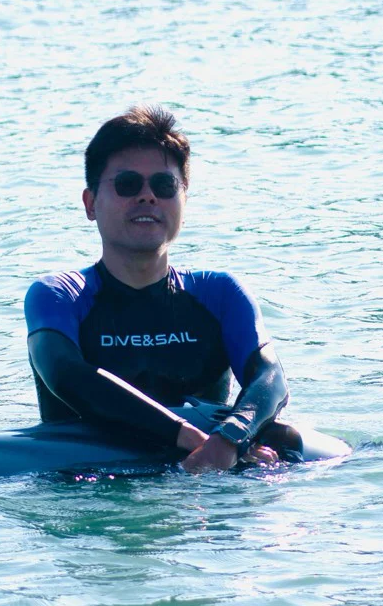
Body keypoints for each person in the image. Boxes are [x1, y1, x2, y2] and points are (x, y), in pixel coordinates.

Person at [24, 105, 297, 473]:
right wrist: (189, 438)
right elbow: (66, 375)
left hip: (202, 487)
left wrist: (231, 437)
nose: (147, 197)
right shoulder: (59, 295)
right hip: (87, 486)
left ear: (183, 200)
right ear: (90, 204)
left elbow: (270, 378)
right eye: (127, 184)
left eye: (164, 185)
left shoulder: (221, 294)